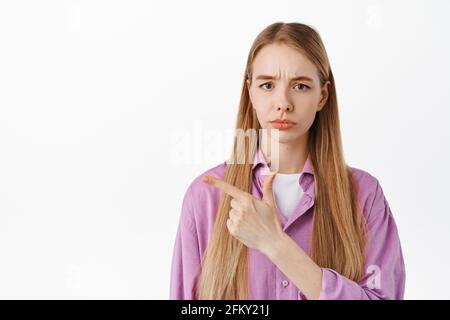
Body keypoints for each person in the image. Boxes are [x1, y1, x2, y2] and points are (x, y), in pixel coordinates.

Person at [169, 22, 405, 300]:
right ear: (251, 93)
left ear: (322, 96)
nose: (283, 102)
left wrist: (276, 245)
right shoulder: (206, 196)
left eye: (301, 86)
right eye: (267, 85)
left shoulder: (364, 194)